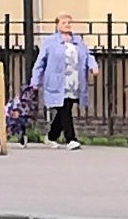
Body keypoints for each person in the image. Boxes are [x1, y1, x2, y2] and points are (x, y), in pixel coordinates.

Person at [30, 14, 98, 149]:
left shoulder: (77, 40)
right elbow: (40, 62)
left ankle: (51, 136)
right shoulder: (50, 41)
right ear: (57, 25)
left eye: (68, 22)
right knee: (64, 108)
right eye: (63, 23)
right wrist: (35, 80)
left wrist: (93, 66)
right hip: (57, 81)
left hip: (74, 80)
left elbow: (87, 54)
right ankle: (71, 139)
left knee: (66, 107)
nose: (67, 25)